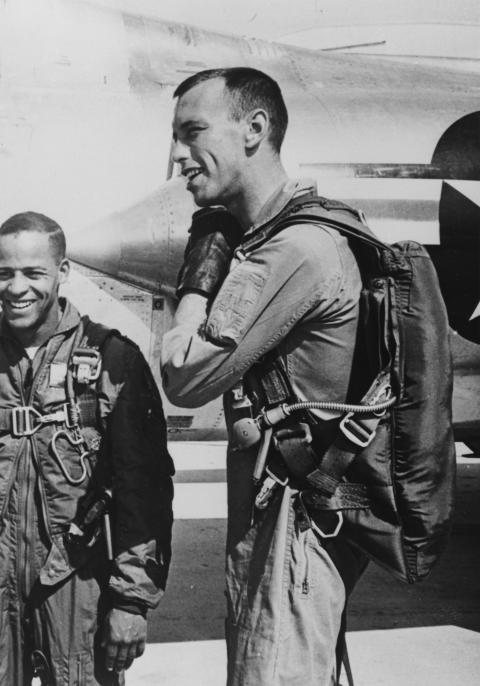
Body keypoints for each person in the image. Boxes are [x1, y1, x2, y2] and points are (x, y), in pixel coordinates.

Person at [160, 67, 368, 685]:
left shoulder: (291, 249)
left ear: (254, 129)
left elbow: (185, 376)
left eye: (193, 131)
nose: (177, 156)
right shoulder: (287, 234)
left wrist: (201, 273)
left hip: (293, 527)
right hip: (289, 515)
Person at [0, 211, 174, 685]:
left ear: (63, 273)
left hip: (75, 579)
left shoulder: (113, 359)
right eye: (4, 273)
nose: (16, 288)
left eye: (33, 273)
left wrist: (132, 600)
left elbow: (144, 491)